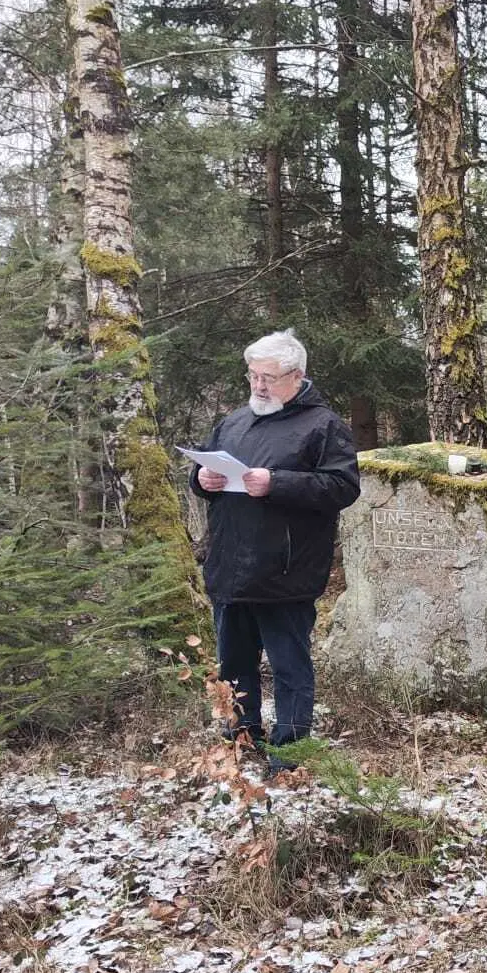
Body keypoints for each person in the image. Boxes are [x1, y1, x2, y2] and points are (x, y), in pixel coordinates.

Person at [192, 329, 360, 772]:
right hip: (230, 564)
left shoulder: (324, 426)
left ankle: (288, 754)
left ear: (297, 376)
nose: (259, 386)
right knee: (233, 663)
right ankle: (243, 738)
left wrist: (277, 482)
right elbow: (207, 468)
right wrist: (201, 481)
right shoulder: (234, 421)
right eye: (252, 376)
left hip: (286, 570)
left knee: (289, 668)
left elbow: (343, 486)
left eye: (268, 377)